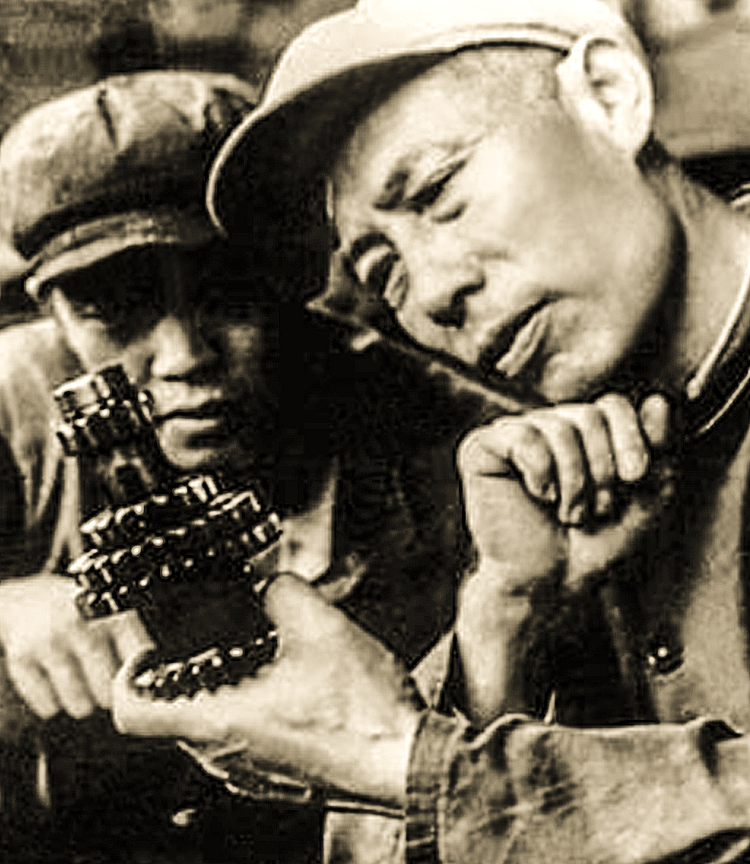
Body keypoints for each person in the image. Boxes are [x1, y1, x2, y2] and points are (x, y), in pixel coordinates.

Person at [114, 1, 750, 862]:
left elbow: (410, 775)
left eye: (438, 195)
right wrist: (506, 633)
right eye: (385, 275)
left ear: (609, 95)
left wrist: (406, 757)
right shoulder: (571, 489)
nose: (434, 293)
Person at [0, 69, 470, 862]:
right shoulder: (16, 399)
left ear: (292, 280)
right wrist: (8, 603)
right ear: (52, 311)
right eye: (115, 307)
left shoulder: (430, 429)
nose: (184, 356)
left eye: (228, 293)